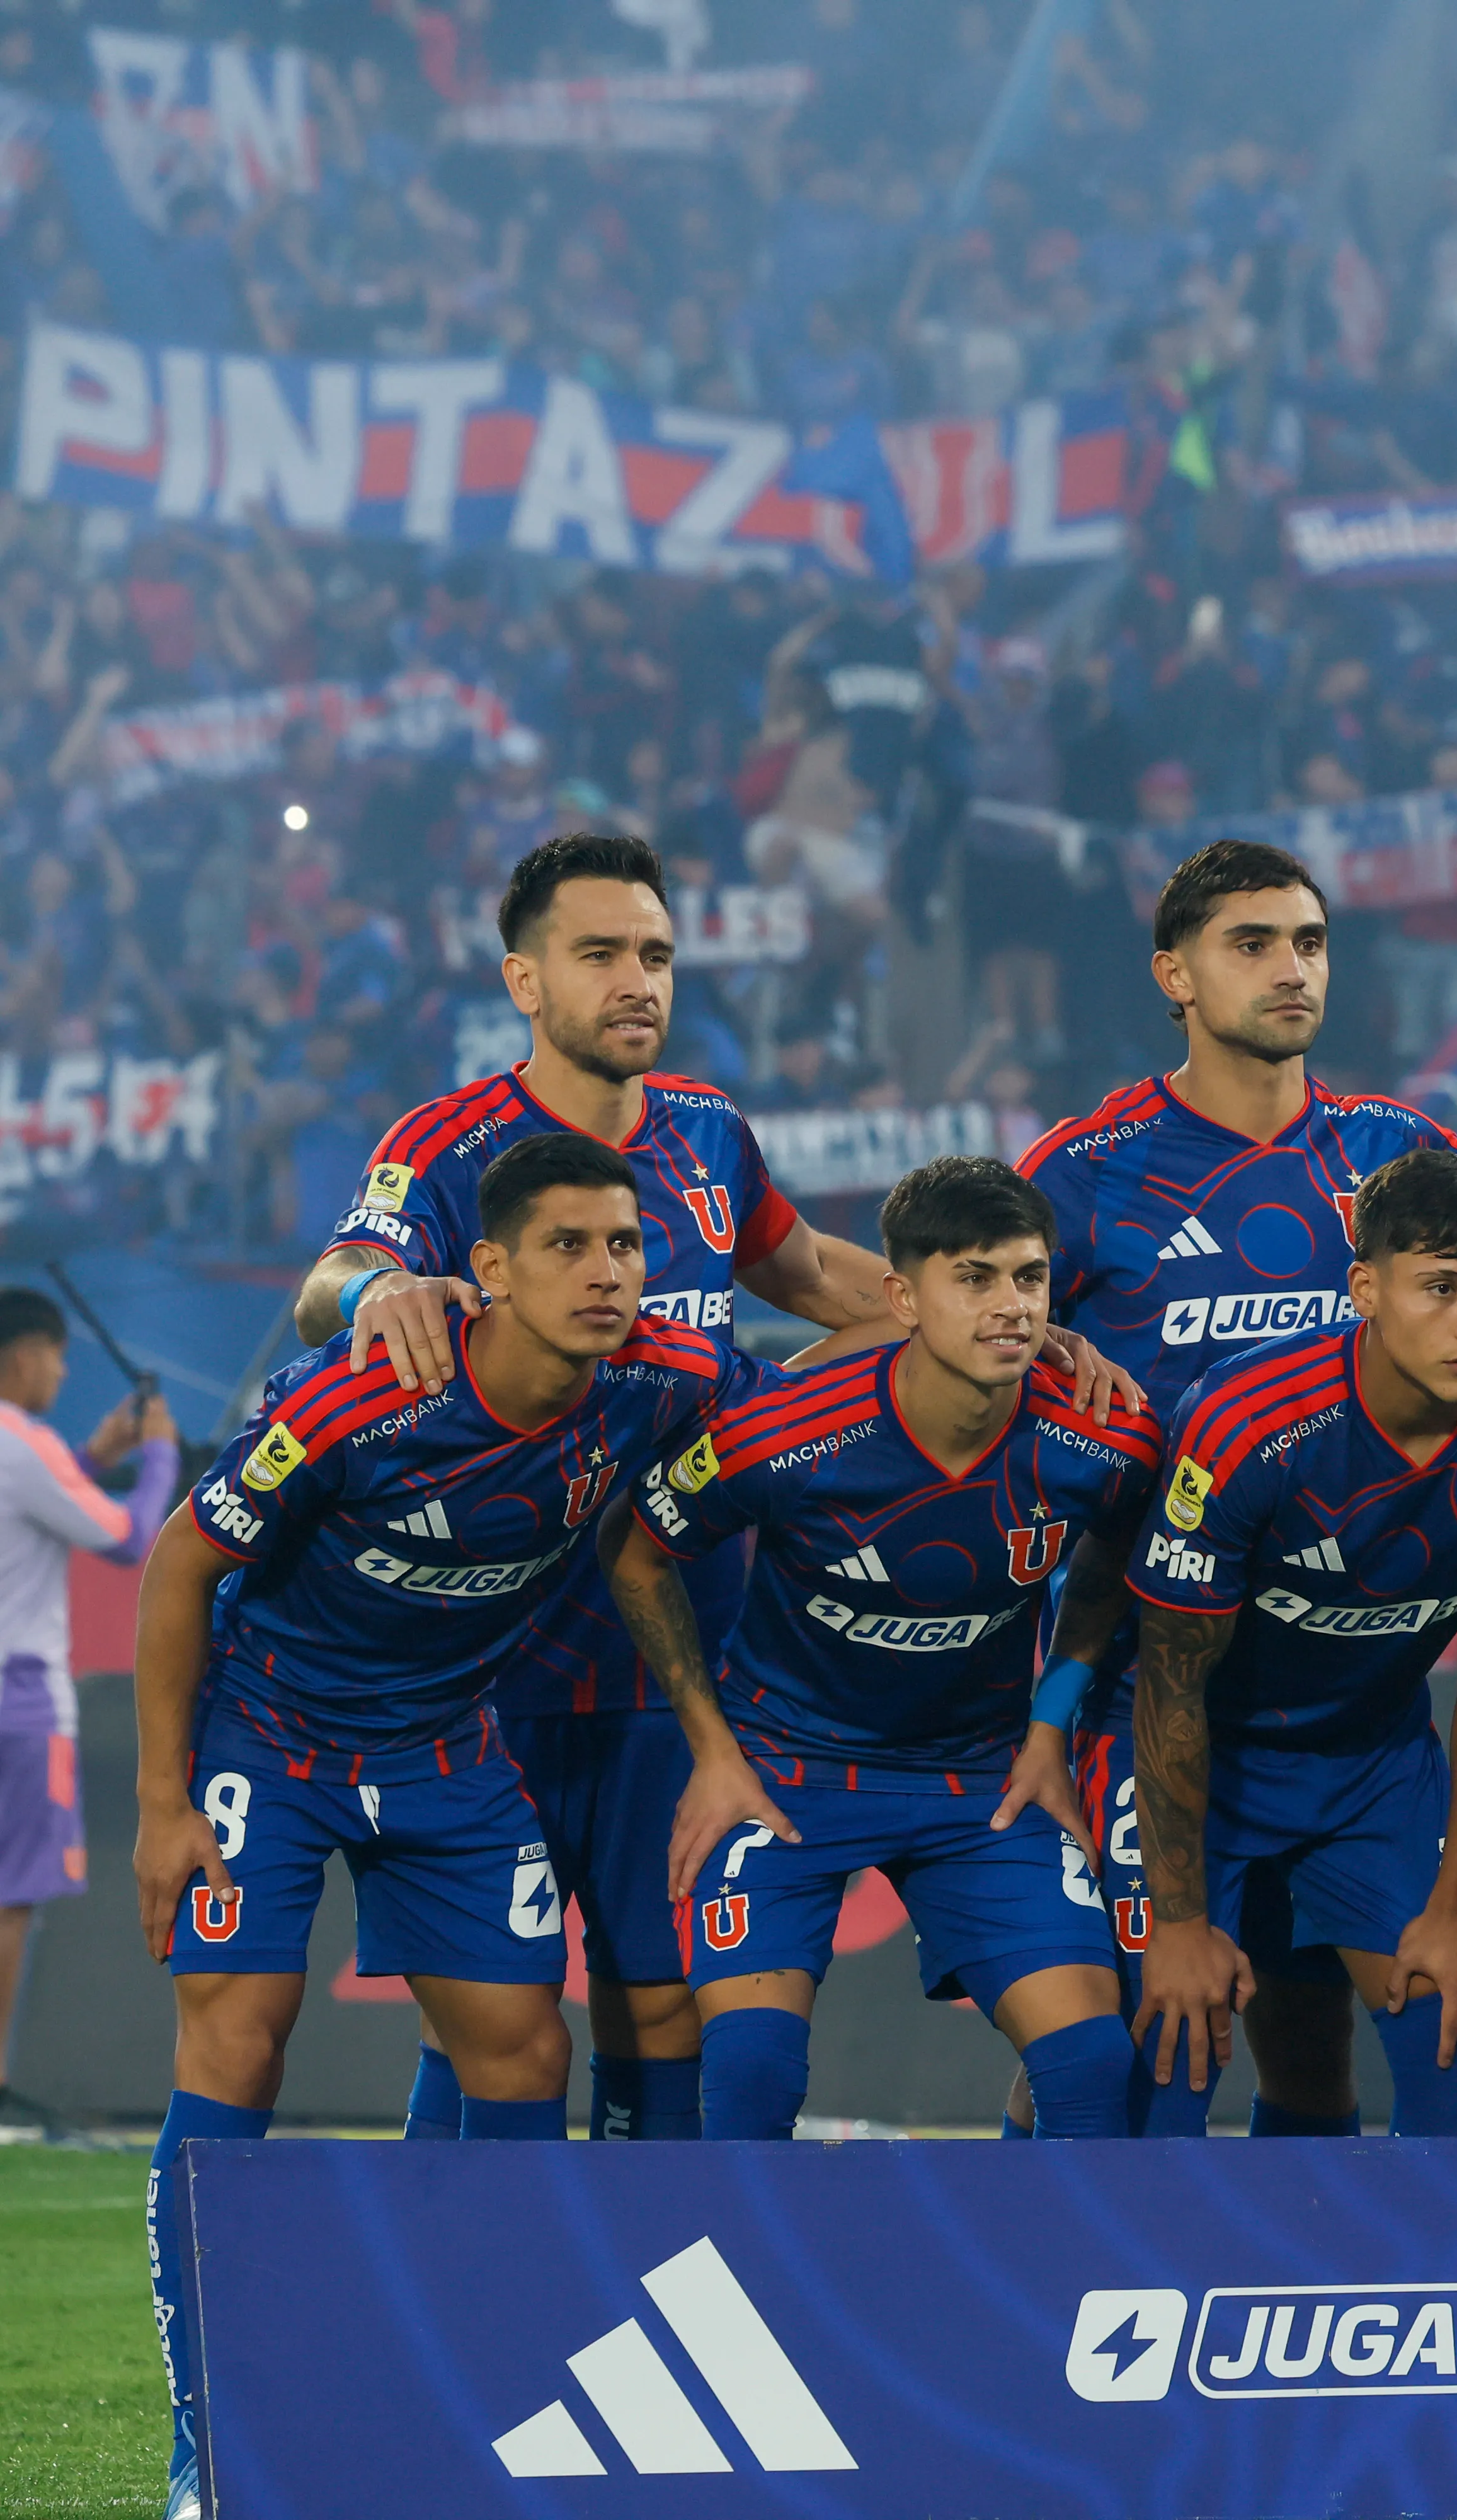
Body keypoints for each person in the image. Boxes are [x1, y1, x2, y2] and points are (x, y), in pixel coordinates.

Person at [1017, 837, 1457, 2136]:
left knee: (1323, 2056)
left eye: (1312, 942)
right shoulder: (1087, 1169)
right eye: (1254, 942)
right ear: (1175, 971)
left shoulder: (1393, 1155)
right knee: (1117, 2060)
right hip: (1151, 1672)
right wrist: (1040, 1334)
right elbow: (941, 1305)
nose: (1292, 968)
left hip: (1357, 1704)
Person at [132, 1135, 759, 2515]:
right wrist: (165, 1803)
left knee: (527, 2049)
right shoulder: (366, 1392)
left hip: (448, 1747)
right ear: (487, 1269)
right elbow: (185, 1554)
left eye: (628, 1246)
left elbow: (821, 1404)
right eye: (571, 1247)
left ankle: (477, 2398)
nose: (609, 1274)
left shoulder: (666, 1379)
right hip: (274, 1736)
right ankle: (210, 2442)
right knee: (239, 2037)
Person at [288, 833, 920, 2150]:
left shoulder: (706, 1134)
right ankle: (459, 2314)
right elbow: (324, 1288)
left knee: (663, 2009)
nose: (637, 980)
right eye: (601, 955)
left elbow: (811, 1276)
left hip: (674, 1660)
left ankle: (643, 2296)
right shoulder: (452, 1140)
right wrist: (382, 1289)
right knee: (488, 2022)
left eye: (655, 955)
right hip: (493, 1668)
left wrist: (975, 1308)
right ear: (525, 978)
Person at [600, 1157, 1161, 2142]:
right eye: (975, 1278)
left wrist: (1049, 1727)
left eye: (1029, 1278)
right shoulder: (782, 1431)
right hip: (783, 1772)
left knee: (1091, 2066)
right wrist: (715, 1753)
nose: (1010, 1307)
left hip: (978, 1778)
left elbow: (1116, 1548)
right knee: (753, 2074)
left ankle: (1035, 2288)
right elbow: (638, 1553)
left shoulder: (1103, 1434)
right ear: (902, 1297)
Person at [1121, 1151, 1457, 2137]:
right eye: (1442, 1289)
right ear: (1366, 1290)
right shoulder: (1248, 1419)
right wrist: (1175, 1923)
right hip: (1203, 1756)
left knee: (1451, 2051)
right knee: (1147, 2069)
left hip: (1370, 1764)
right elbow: (1170, 1682)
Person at [0, 1288, 175, 2122]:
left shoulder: (30, 1452)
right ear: (25, 1355)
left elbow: (36, 1503)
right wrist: (161, 1458)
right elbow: (129, 1538)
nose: (62, 1371)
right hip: (22, 1705)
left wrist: (98, 1454)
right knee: (10, 1897)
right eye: (57, 1357)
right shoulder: (23, 1443)